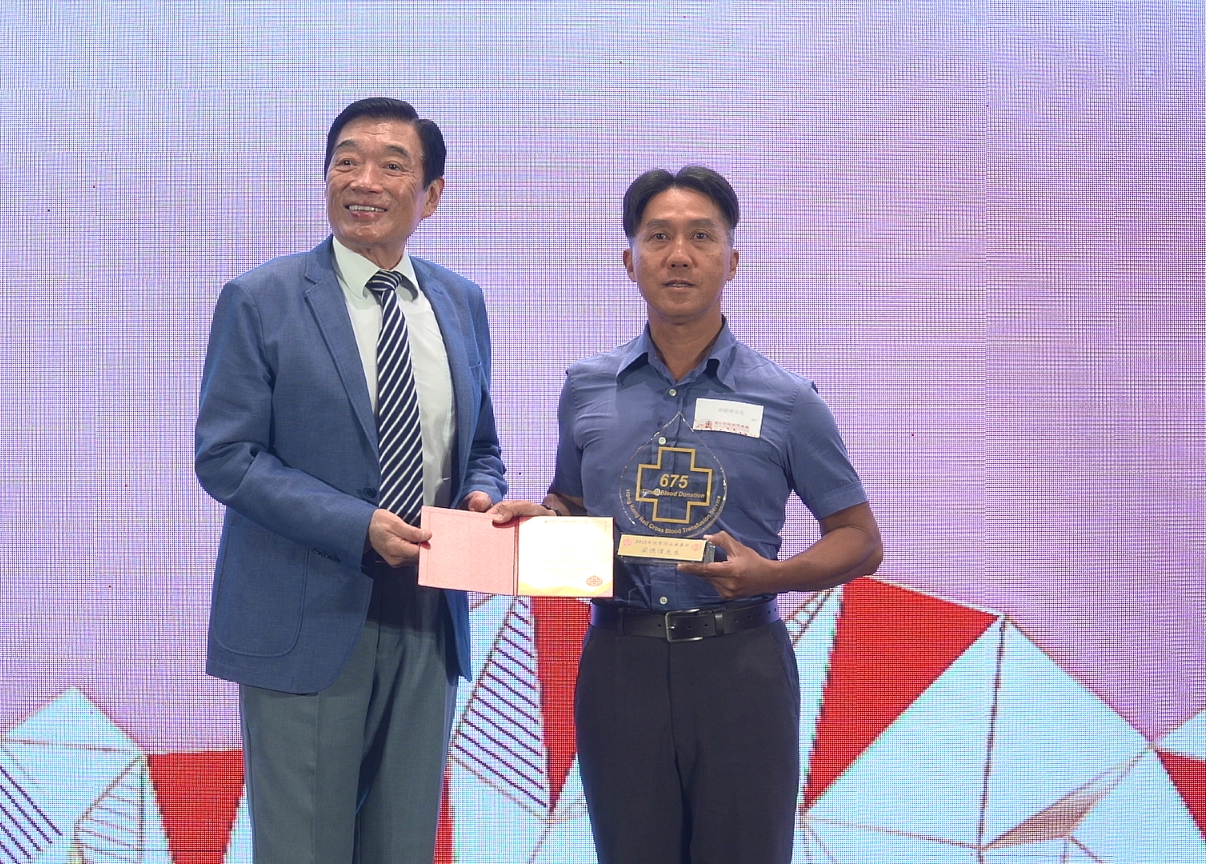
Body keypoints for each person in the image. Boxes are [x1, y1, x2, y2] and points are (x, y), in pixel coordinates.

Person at [490, 165, 883, 864]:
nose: (679, 255)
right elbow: (571, 501)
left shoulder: (787, 398)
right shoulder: (586, 387)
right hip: (619, 664)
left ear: (731, 260)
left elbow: (859, 538)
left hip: (741, 667)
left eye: (701, 237)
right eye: (659, 236)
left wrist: (775, 574)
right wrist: (541, 522)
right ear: (629, 260)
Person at [194, 98, 506, 864]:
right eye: (347, 160)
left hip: (430, 623)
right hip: (305, 617)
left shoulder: (460, 303)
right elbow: (225, 455)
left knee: (403, 849)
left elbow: (484, 448)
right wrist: (353, 525)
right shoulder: (260, 299)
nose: (364, 180)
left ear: (430, 195)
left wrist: (482, 496)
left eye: (392, 165)